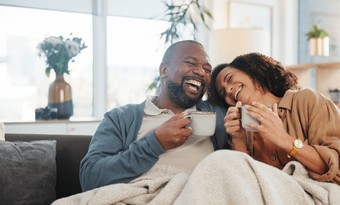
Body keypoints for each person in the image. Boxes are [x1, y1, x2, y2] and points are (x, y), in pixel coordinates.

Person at [79, 40, 229, 191]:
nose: (201, 72)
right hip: (137, 200)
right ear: (163, 70)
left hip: (196, 200)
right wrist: (155, 143)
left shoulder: (217, 115)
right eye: (190, 63)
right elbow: (90, 178)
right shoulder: (121, 118)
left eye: (207, 69)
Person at [208, 53, 340, 187]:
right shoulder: (245, 128)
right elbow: (243, 185)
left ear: (252, 70)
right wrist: (238, 139)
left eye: (229, 79)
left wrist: (285, 140)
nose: (228, 90)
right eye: (223, 93)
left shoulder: (307, 100)